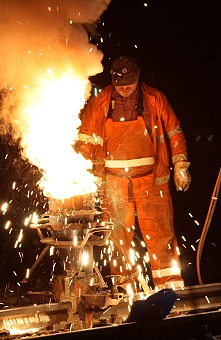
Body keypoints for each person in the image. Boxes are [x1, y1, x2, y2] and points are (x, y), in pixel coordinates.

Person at [75, 56, 191, 290]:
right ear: (113, 82)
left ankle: (169, 286)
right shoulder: (100, 103)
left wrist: (180, 165)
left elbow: (174, 132)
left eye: (129, 82)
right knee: (117, 238)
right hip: (114, 183)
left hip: (151, 180)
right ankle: (124, 287)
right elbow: (85, 140)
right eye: (120, 84)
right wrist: (82, 173)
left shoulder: (155, 99)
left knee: (159, 233)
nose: (125, 88)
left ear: (138, 77)